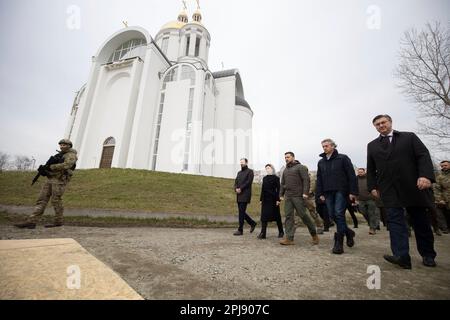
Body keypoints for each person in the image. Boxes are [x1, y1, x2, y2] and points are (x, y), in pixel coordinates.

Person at [367, 114, 437, 269]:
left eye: (383, 122)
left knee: (420, 221)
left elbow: (423, 156)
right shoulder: (372, 145)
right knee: (395, 222)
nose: (381, 125)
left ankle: (428, 254)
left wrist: (425, 176)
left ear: (390, 122)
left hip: (413, 185)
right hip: (388, 188)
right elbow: (371, 168)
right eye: (377, 124)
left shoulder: (408, 137)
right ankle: (401, 256)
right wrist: (372, 186)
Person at [14, 139, 78, 229]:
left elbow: (67, 165)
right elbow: (53, 165)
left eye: (64, 145)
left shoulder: (71, 155)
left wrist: (51, 167)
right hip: (50, 179)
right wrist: (45, 169)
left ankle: (58, 221)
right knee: (41, 200)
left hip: (60, 180)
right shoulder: (59, 155)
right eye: (61, 144)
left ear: (69, 146)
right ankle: (31, 221)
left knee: (56, 200)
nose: (62, 146)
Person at [316, 139, 358, 254]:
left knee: (339, 213)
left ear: (333, 146)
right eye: (323, 146)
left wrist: (353, 191)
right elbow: (319, 179)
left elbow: (351, 175)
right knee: (331, 214)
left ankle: (338, 243)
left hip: (341, 190)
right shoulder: (321, 162)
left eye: (327, 146)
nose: (324, 148)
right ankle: (349, 232)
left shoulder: (343, 158)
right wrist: (320, 193)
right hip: (327, 191)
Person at [279, 152, 319, 246]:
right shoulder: (285, 170)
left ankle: (314, 234)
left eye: (288, 157)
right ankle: (289, 238)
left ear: (293, 157)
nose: (286, 159)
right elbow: (282, 183)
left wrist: (305, 193)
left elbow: (306, 180)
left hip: (298, 196)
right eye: (285, 157)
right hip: (288, 196)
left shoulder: (300, 167)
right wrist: (281, 194)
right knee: (288, 216)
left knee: (303, 215)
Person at [258, 164, 284, 239]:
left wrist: (278, 200)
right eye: (266, 168)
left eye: (269, 168)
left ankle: (281, 231)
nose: (267, 169)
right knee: (264, 217)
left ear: (272, 169)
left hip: (273, 199)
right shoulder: (265, 178)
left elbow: (278, 189)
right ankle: (263, 233)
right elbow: (262, 189)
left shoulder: (276, 178)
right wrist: (261, 199)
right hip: (265, 200)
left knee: (277, 217)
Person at [233, 158, 257, 236]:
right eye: (240, 162)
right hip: (239, 194)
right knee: (241, 212)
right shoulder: (239, 172)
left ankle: (240, 230)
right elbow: (236, 182)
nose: (241, 163)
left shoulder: (250, 172)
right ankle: (252, 223)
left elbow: (248, 182)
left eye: (243, 162)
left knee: (241, 212)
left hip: (245, 194)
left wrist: (241, 188)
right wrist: (236, 188)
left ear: (246, 163)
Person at [356, 168, 380, 235]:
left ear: (364, 172)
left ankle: (372, 228)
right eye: (359, 172)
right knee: (362, 211)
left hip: (370, 198)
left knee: (371, 213)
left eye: (361, 172)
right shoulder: (355, 179)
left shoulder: (369, 178)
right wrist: (355, 198)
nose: (360, 173)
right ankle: (373, 223)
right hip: (360, 199)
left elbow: (375, 186)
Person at [434, 160, 450, 233]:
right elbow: (437, 189)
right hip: (446, 199)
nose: (444, 167)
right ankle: (445, 229)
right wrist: (439, 199)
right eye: (442, 166)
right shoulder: (440, 177)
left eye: (445, 165)